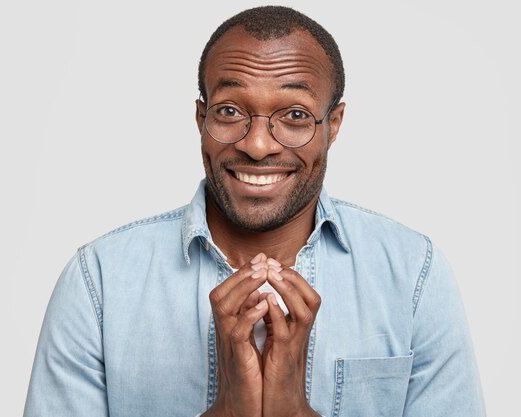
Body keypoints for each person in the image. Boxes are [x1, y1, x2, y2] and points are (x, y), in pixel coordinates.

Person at [24, 6, 486, 417]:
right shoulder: (99, 281)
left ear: (335, 123)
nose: (258, 145)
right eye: (229, 111)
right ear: (200, 119)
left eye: (296, 116)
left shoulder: (412, 274)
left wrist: (293, 412)